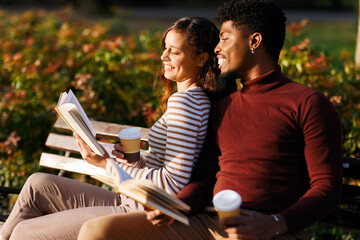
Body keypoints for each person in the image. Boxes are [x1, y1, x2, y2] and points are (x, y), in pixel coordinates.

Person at [77, 1, 343, 240]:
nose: (217, 47)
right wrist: (176, 207)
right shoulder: (224, 107)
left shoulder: (308, 104)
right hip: (207, 222)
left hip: (269, 230)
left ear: (254, 41)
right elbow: (203, 180)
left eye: (225, 38)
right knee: (98, 230)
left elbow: (327, 188)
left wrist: (275, 223)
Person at [0, 16, 227, 240]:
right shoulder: (193, 99)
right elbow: (169, 168)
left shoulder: (186, 103)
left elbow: (170, 186)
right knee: (38, 185)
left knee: (23, 232)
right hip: (130, 200)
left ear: (201, 59)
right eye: (165, 48)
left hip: (138, 211)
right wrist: (135, 160)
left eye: (175, 52)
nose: (163, 56)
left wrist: (105, 163)